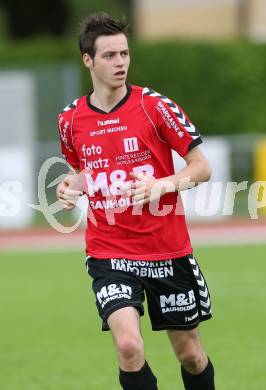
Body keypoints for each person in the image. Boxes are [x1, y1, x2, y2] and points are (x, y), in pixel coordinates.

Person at [56, 12, 215, 390]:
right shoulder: (69, 120)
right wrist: (70, 185)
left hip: (167, 249)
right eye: (110, 56)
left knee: (190, 355)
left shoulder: (154, 106)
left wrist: (164, 184)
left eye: (124, 54)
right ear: (88, 60)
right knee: (128, 346)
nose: (121, 63)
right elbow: (87, 171)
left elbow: (202, 167)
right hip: (109, 250)